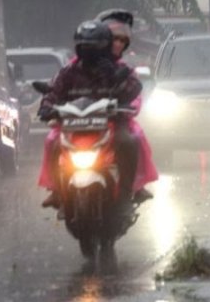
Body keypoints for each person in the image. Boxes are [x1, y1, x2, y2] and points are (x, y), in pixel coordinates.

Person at [38, 20, 142, 210]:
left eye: (94, 47)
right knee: (53, 144)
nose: (89, 51)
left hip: (110, 124)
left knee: (128, 142)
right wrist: (46, 107)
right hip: (74, 127)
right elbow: (53, 92)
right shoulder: (69, 72)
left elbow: (134, 87)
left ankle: (126, 194)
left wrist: (117, 81)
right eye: (84, 47)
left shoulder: (117, 69)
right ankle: (57, 192)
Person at [96, 8, 157, 203]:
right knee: (53, 140)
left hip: (115, 122)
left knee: (133, 139)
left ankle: (131, 187)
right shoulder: (76, 66)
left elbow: (135, 94)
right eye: (113, 39)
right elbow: (59, 89)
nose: (117, 44)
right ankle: (58, 190)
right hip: (81, 123)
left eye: (122, 40)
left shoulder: (125, 69)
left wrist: (129, 107)